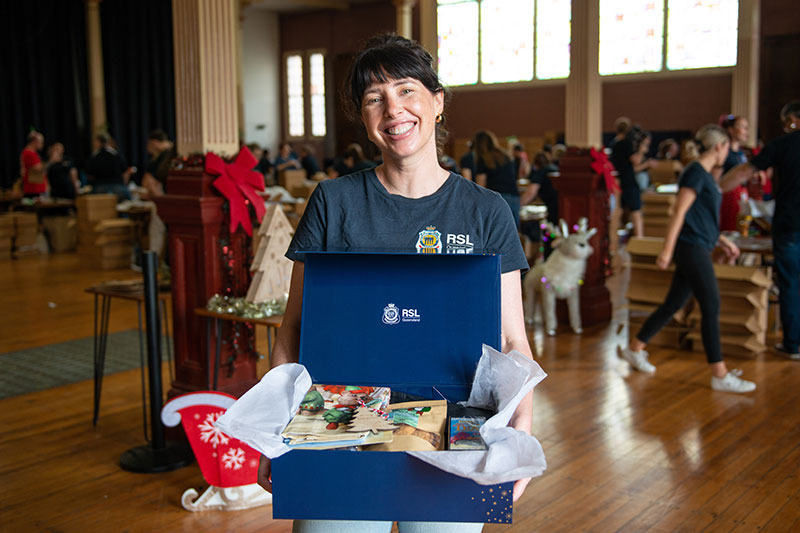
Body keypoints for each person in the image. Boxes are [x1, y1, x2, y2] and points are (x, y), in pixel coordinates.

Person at [256, 33, 535, 532]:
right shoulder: (333, 202)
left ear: (438, 102)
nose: (393, 110)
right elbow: (292, 330)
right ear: (363, 118)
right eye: (373, 99)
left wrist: (522, 431)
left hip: (457, 422)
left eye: (406, 90)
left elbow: (513, 340)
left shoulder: (486, 211)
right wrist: (277, 430)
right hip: (336, 419)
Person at [618, 124, 756, 393]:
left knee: (673, 303)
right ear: (719, 147)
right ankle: (720, 373)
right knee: (711, 304)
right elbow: (679, 211)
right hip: (690, 248)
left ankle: (635, 348)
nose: (727, 152)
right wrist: (666, 251)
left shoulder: (704, 174)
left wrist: (722, 240)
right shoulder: (695, 172)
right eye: (727, 147)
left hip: (700, 245)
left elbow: (701, 218)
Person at [722, 101, 800, 360]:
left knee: (789, 283)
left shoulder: (783, 144)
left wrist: (714, 187)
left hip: (789, 223)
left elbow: (745, 171)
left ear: (792, 120)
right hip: (788, 223)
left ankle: (793, 344)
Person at [610, 121, 657, 237]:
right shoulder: (626, 144)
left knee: (618, 212)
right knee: (636, 213)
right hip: (628, 182)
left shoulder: (614, 144)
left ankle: (613, 238)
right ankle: (639, 239)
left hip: (617, 181)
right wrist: (641, 151)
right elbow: (635, 162)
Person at [474, 130, 521, 227]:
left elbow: (480, 185)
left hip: (496, 198)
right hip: (514, 196)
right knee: (512, 233)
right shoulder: (506, 155)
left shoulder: (484, 158)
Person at [718, 115, 754, 231]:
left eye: (747, 128)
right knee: (729, 227)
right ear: (731, 130)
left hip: (741, 194)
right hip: (728, 195)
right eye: (743, 127)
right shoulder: (725, 152)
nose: (746, 131)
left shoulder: (740, 153)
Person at [85, 133, 131, 201]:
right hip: (119, 187)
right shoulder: (116, 154)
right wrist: (124, 184)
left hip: (99, 188)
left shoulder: (94, 156)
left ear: (98, 142)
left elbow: (89, 175)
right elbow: (126, 172)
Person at [142, 129, 176, 197]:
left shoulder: (166, 154)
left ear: (155, 142)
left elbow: (149, 179)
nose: (147, 147)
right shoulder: (165, 153)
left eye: (149, 144)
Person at [20, 131, 47, 197]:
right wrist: (52, 161)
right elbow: (38, 168)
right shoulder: (29, 153)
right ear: (34, 142)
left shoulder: (33, 153)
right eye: (41, 142)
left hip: (36, 188)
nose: (42, 145)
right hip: (33, 189)